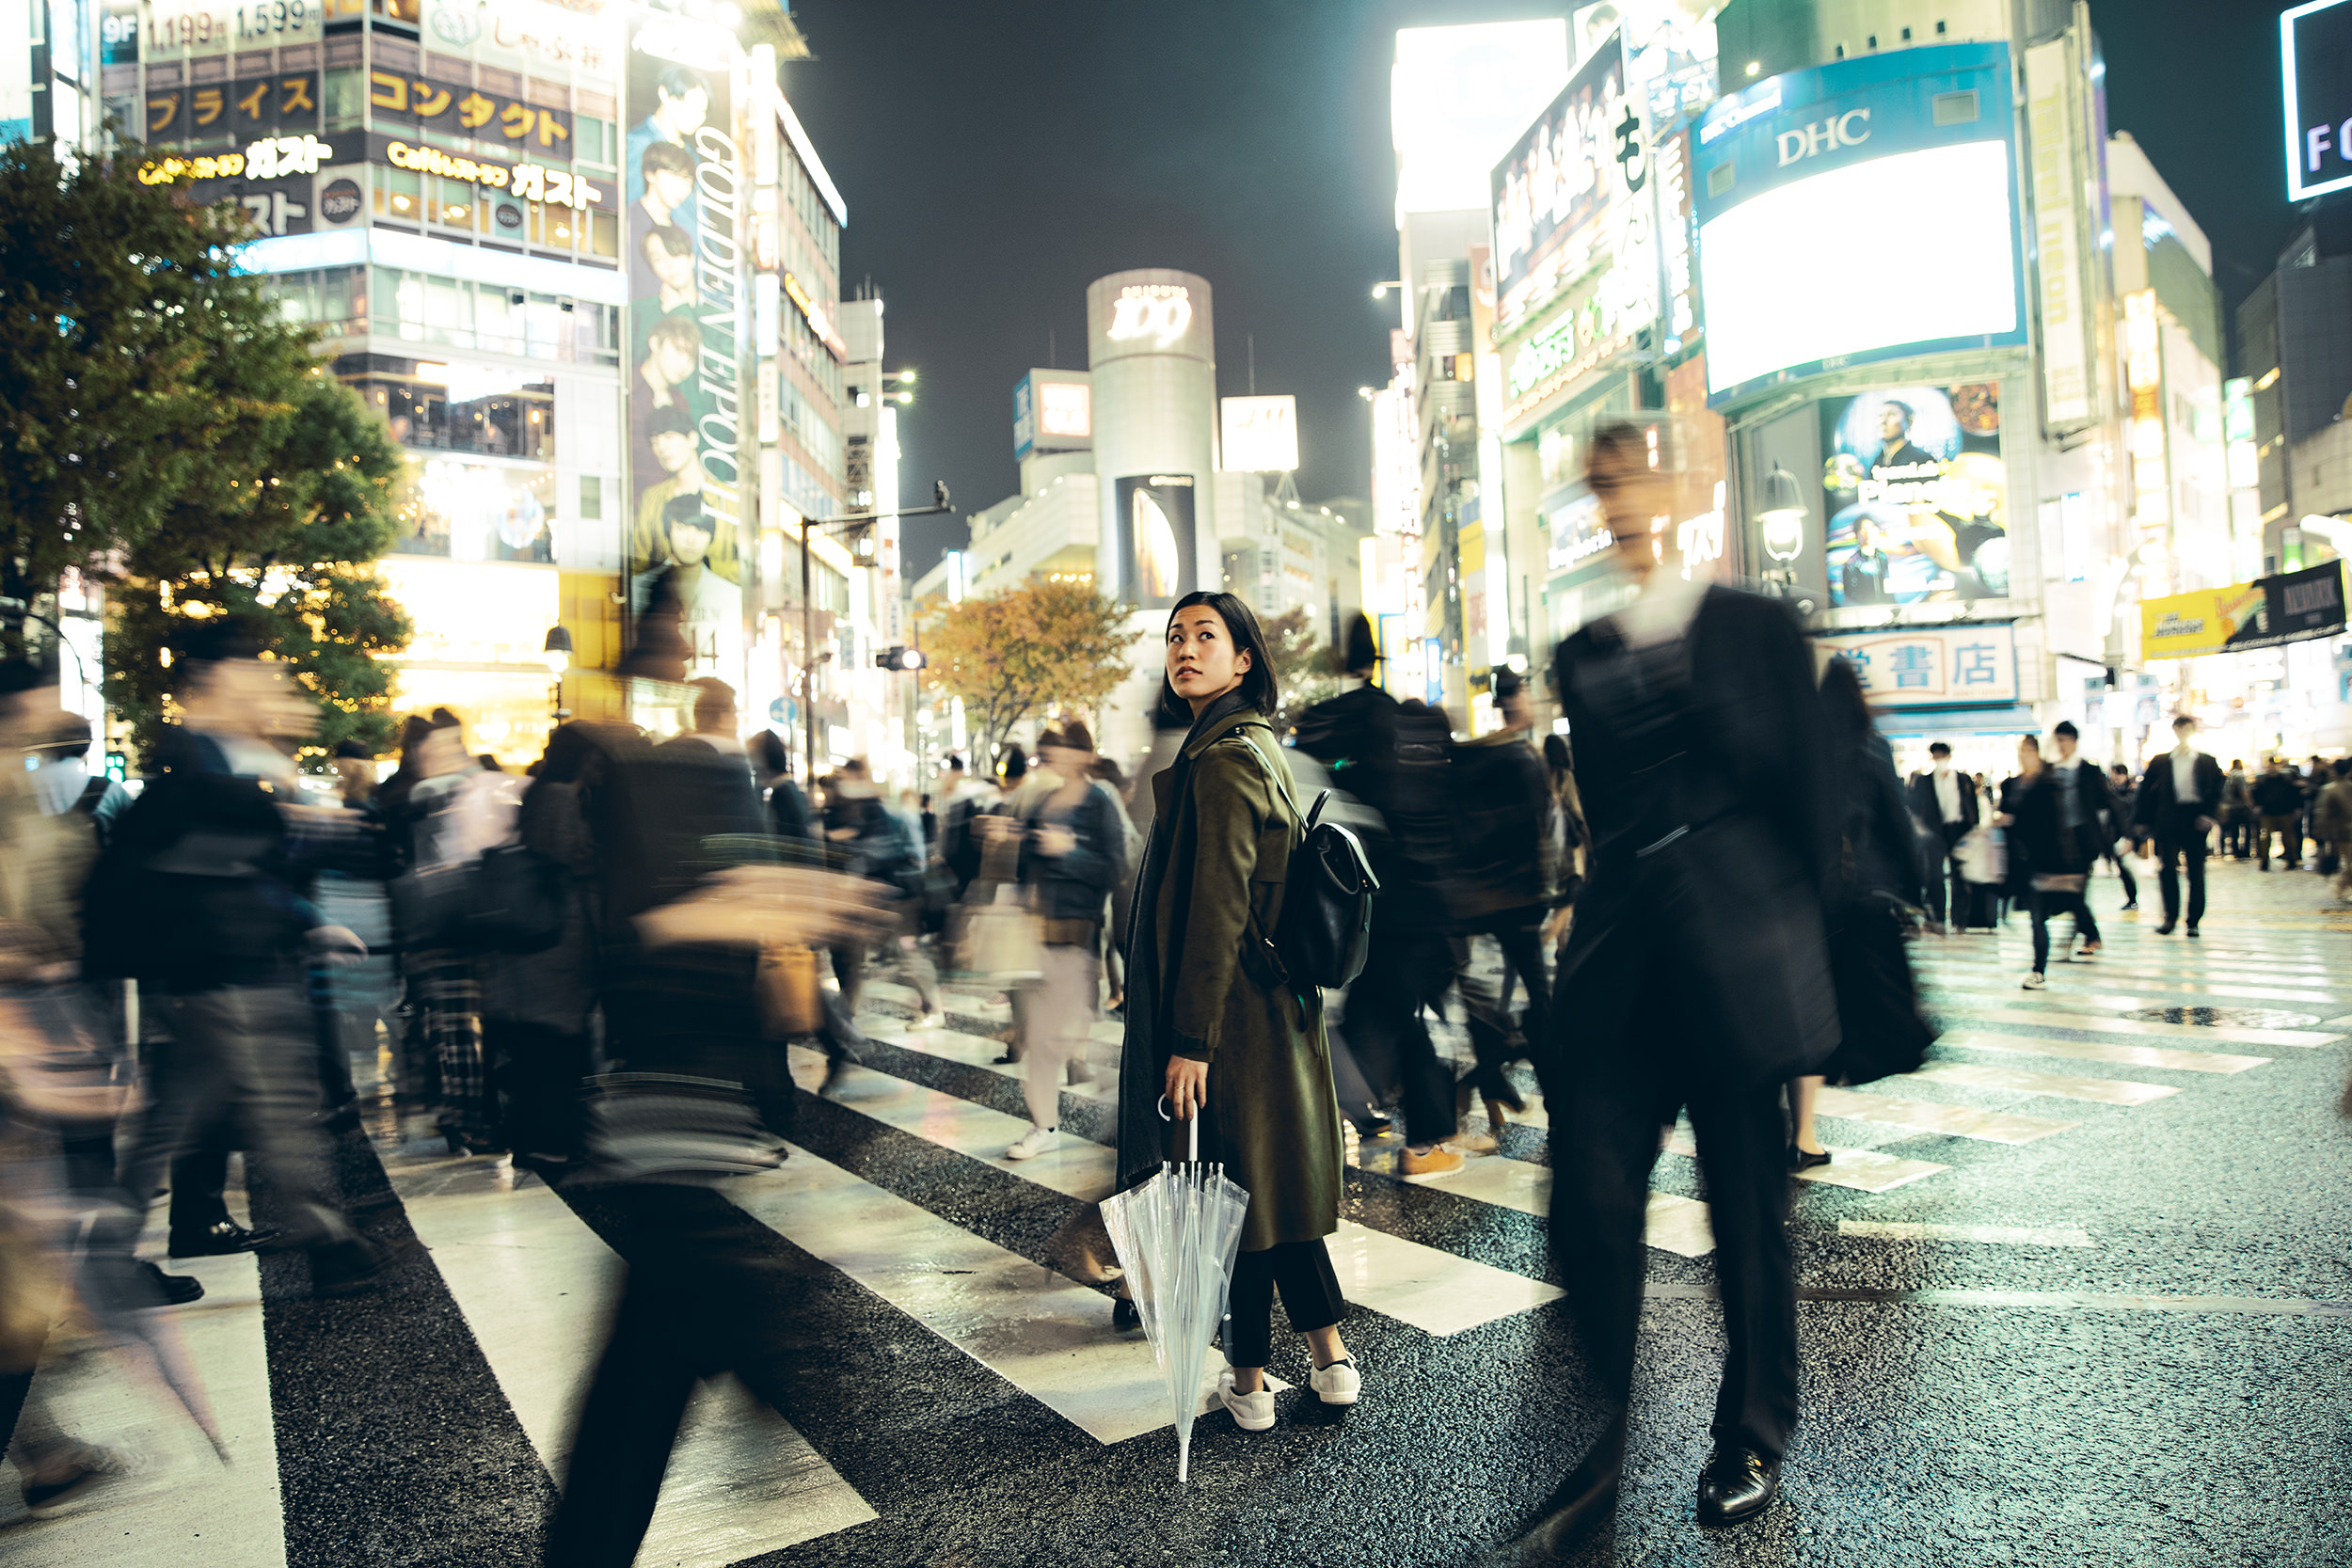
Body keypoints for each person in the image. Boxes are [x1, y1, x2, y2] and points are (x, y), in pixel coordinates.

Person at [1506, 421, 1838, 1548]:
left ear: (1680, 488)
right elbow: (1599, 808)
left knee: (1747, 1208)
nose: (1617, 500)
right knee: (1591, 1197)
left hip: (1738, 962)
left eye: (1633, 477)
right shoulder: (1585, 650)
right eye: (1600, 484)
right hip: (1618, 970)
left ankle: (1749, 1432)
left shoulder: (1753, 628)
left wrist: (1807, 965)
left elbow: (1806, 801)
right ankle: (1594, 1442)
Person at [84, 623, 391, 1297]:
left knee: (172, 1115)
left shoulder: (219, 756)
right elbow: (220, 858)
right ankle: (332, 1241)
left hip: (216, 967)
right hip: (222, 969)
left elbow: (244, 869)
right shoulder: (197, 758)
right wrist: (296, 820)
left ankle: (105, 1253)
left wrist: (307, 918)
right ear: (217, 677)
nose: (266, 683)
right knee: (278, 1105)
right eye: (255, 671)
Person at [1117, 591, 1359, 1429]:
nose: (1186, 648)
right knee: (1275, 1186)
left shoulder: (1221, 761)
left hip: (1237, 1022)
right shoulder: (1252, 744)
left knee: (1240, 1193)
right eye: (1176, 637)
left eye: (1206, 636)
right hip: (1271, 1009)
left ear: (1243, 658)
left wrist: (1191, 1041)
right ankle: (1329, 1359)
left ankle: (1251, 1380)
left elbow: (1214, 913)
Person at [1293, 615, 1465, 1179]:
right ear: (1377, 658)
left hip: (1330, 900)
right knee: (1385, 1016)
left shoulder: (1314, 723)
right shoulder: (1390, 717)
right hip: (1399, 898)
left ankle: (1423, 1134)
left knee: (1387, 1014)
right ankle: (1340, 1113)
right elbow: (1416, 813)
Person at [1790, 659, 1927, 1167]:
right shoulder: (1871, 747)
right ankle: (1808, 1126)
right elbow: (1896, 823)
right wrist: (1916, 889)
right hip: (1863, 900)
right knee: (1865, 1010)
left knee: (1806, 1013)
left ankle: (1799, 1130)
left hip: (1808, 904)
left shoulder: (1801, 751)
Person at [1003, 723, 1127, 1159]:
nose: (1051, 758)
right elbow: (1022, 869)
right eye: (1048, 751)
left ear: (1083, 755)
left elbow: (1115, 868)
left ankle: (1120, 1111)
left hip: (1077, 939)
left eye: (1061, 750)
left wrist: (1068, 852)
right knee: (1041, 1040)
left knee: (1067, 1038)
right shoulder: (1041, 801)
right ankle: (1045, 1125)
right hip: (1036, 938)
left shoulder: (1099, 802)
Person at [1449, 665, 1558, 1146]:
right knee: (1542, 1000)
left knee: (1479, 994)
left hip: (1478, 896)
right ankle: (1557, 1098)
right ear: (1519, 700)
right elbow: (1538, 832)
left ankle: (1491, 1070)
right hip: (1520, 896)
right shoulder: (1524, 757)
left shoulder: (1476, 754)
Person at [1998, 735, 2102, 988]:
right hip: (2020, 862)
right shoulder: (2011, 784)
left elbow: (2053, 824)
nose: (2024, 755)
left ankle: (2039, 970)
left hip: (2046, 862)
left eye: (2029, 750)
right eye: (2022, 750)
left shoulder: (2048, 783)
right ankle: (2081, 938)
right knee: (2041, 913)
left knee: (2041, 915)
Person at [2132, 715, 2223, 938]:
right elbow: (2145, 794)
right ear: (2175, 731)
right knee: (2167, 870)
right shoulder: (2162, 761)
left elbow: (2217, 790)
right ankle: (2170, 917)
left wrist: (2209, 816)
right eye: (2180, 729)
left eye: (2188, 729)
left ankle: (2193, 921)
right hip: (2168, 819)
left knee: (2196, 871)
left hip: (2195, 818)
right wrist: (2141, 822)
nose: (2184, 733)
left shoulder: (2206, 761)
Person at [2047, 721, 2132, 911]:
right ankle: (2088, 932)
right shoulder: (2051, 772)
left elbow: (2111, 802)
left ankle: (2089, 933)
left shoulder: (2088, 771)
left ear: (2075, 741)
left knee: (2078, 888)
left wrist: (2126, 835)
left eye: (2065, 740)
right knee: (2068, 889)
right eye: (2058, 740)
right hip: (2058, 840)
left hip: (2083, 839)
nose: (2062, 745)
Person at [1905, 741, 1978, 931]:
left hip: (1959, 830)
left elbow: (1971, 805)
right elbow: (1914, 806)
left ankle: (1959, 919)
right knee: (1934, 875)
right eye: (1936, 756)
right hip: (1935, 832)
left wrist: (1973, 829)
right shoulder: (1924, 781)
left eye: (1941, 756)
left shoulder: (1962, 779)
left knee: (1959, 876)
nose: (1939, 760)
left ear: (1948, 756)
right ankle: (1938, 917)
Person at [2250, 756, 2306, 871]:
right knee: (2265, 838)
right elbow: (2256, 794)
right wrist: (2257, 806)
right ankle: (2264, 861)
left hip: (2285, 812)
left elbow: (2294, 794)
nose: (2273, 767)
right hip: (2268, 812)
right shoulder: (2263, 781)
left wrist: (2297, 808)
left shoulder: (2286, 780)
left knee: (2288, 838)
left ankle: (2291, 860)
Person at [2313, 759, 2352, 902]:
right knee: (2349, 862)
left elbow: (2322, 813)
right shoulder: (2346, 787)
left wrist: (2319, 831)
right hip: (2344, 831)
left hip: (2340, 832)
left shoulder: (2329, 789)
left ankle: (2341, 888)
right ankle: (2341, 888)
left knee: (2349, 862)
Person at [2106, 763, 2142, 909]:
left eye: (2116, 775)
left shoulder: (2131, 791)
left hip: (2127, 837)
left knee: (2127, 869)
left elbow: (2126, 808)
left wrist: (2130, 837)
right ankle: (2131, 899)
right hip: (2117, 836)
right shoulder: (2119, 790)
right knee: (2123, 868)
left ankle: (2133, 899)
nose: (2114, 779)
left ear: (2124, 774)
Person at [2219, 759, 2253, 859]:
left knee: (2234, 830)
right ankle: (2245, 851)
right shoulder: (2239, 775)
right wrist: (2249, 803)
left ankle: (2235, 851)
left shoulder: (2229, 776)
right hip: (2240, 806)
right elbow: (2244, 790)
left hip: (2230, 806)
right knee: (2246, 829)